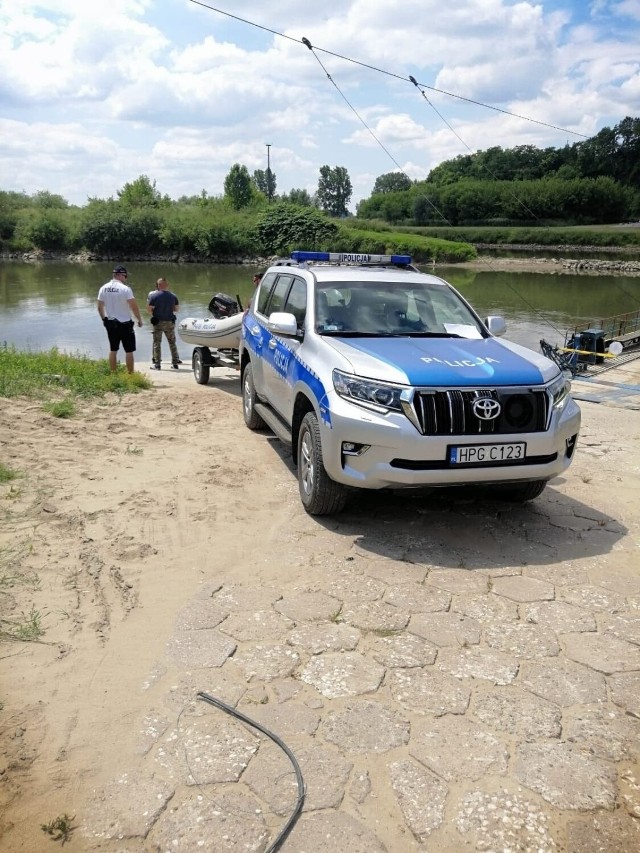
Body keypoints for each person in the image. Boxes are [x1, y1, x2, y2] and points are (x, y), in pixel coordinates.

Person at [97, 265, 143, 374]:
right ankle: (130, 375)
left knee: (113, 350)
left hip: (111, 323)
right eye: (125, 276)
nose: (126, 278)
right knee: (129, 350)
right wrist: (139, 319)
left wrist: (104, 320)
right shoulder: (125, 289)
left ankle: (113, 373)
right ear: (120, 276)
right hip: (125, 324)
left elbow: (100, 306)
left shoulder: (103, 288)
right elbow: (134, 306)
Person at [147, 277, 181, 369]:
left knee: (157, 343)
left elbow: (149, 310)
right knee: (172, 342)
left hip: (158, 322)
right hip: (170, 322)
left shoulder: (154, 296)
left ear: (158, 285)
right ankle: (175, 363)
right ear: (167, 285)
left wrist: (156, 310)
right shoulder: (173, 296)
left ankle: (157, 364)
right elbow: (176, 309)